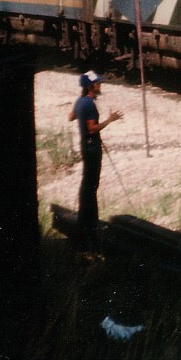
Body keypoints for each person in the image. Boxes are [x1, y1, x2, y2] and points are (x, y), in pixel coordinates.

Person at [70, 71, 122, 247]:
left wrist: (81, 115)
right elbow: (92, 128)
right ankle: (90, 223)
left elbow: (71, 117)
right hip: (92, 147)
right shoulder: (89, 104)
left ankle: (85, 221)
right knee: (92, 186)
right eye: (98, 83)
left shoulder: (80, 101)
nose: (100, 85)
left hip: (84, 145)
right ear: (89, 86)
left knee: (87, 184)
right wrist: (109, 120)